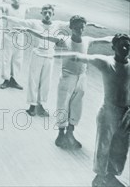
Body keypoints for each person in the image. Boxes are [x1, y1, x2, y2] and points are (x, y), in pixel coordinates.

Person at [20, 16, 115, 150]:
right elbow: (45, 36)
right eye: (76, 27)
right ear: (71, 28)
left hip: (82, 77)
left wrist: (121, 38)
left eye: (82, 27)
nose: (80, 30)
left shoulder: (88, 40)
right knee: (63, 105)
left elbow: (105, 40)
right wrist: (27, 29)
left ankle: (70, 133)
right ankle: (60, 133)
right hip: (67, 77)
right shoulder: (65, 40)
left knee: (77, 105)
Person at [51, 34, 129, 187]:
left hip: (126, 113)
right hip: (109, 112)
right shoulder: (105, 62)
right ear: (113, 48)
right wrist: (56, 54)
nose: (125, 48)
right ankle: (100, 177)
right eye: (121, 45)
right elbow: (80, 56)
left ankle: (111, 176)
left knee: (121, 146)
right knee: (104, 145)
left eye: (127, 45)